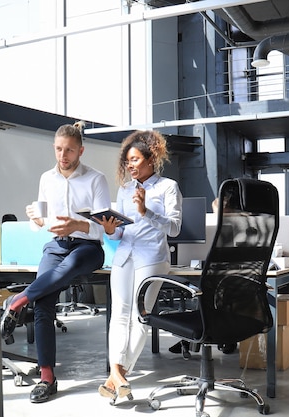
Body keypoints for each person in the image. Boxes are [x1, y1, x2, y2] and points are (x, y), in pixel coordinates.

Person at [0, 121, 112, 403]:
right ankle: (47, 377)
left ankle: (17, 301)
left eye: (70, 151)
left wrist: (79, 224)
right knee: (44, 304)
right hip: (56, 246)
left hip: (87, 248)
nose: (63, 156)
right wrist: (37, 221)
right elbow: (42, 223)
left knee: (70, 267)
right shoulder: (46, 178)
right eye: (59, 149)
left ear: (81, 150)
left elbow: (103, 228)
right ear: (54, 148)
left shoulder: (96, 179)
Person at [95, 130, 182, 404]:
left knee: (138, 316)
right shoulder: (124, 190)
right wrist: (110, 230)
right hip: (124, 255)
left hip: (152, 257)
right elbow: (119, 234)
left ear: (150, 158)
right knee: (118, 316)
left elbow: (176, 228)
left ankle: (116, 375)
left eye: (134, 160)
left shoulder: (168, 187)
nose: (130, 165)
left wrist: (147, 212)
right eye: (127, 161)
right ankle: (119, 378)